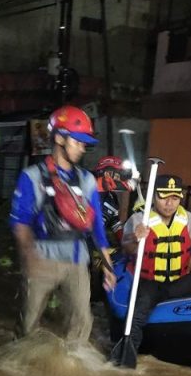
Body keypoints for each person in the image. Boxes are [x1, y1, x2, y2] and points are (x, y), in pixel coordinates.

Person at [9, 105, 116, 340]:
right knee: (28, 324)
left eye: (84, 142)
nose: (82, 147)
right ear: (59, 137)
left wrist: (108, 267)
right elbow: (20, 223)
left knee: (81, 324)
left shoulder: (87, 180)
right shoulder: (32, 177)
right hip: (42, 259)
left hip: (77, 262)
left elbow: (97, 228)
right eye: (77, 141)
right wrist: (30, 259)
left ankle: (72, 369)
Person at [115, 174, 191, 364]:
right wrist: (135, 237)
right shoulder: (140, 220)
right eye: (164, 197)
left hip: (178, 282)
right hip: (150, 283)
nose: (169, 203)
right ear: (155, 196)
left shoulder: (188, 219)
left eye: (174, 198)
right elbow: (127, 247)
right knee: (136, 318)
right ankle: (124, 363)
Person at [93, 155, 130, 244]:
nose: (119, 180)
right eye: (117, 176)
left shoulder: (112, 199)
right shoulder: (87, 192)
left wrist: (126, 242)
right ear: (106, 174)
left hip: (96, 248)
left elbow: (116, 224)